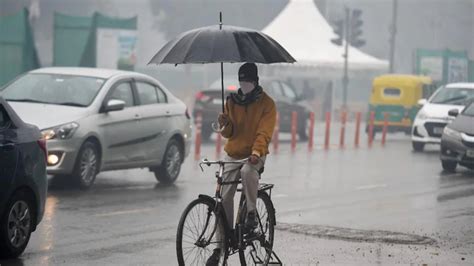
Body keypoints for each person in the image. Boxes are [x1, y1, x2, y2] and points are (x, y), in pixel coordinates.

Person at [206, 63, 277, 265]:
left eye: (247, 81)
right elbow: (229, 134)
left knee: (248, 172)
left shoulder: (267, 104)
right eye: (241, 81)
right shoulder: (231, 101)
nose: (244, 85)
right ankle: (222, 244)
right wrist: (224, 123)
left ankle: (252, 214)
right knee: (223, 197)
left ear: (255, 82)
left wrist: (256, 152)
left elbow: (264, 132)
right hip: (233, 153)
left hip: (255, 154)